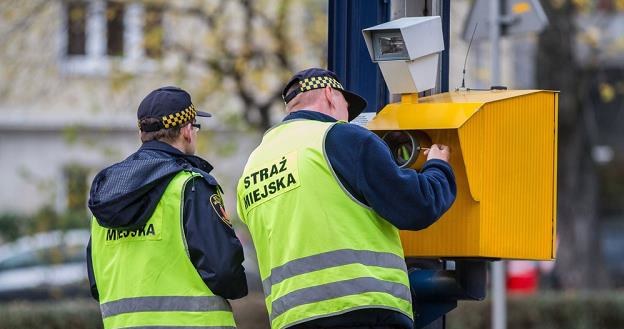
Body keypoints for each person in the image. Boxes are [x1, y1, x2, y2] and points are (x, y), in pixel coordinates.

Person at [236, 68, 456, 329]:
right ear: (330, 94)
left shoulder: (253, 165)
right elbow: (418, 205)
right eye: (346, 108)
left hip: (292, 318)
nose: (348, 119)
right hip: (362, 309)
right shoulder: (338, 137)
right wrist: (438, 168)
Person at [87, 86, 248, 329]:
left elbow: (97, 283)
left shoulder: (107, 194)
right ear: (186, 131)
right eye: (196, 127)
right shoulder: (190, 186)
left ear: (143, 134)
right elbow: (225, 270)